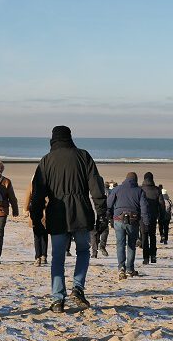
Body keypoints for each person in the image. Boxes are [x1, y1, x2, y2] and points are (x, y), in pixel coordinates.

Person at [30, 126, 106, 313]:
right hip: (81, 211)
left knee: (57, 257)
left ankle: (57, 299)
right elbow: (96, 186)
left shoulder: (46, 161)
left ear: (53, 139)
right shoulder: (83, 156)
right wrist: (102, 213)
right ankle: (78, 288)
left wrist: (36, 216)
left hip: (57, 214)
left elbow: (38, 192)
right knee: (83, 251)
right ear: (70, 138)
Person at [107, 173, 150, 279]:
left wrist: (110, 216)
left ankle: (121, 268)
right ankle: (130, 269)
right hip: (133, 221)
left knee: (120, 245)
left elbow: (109, 204)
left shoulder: (117, 189)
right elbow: (144, 208)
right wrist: (146, 222)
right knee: (131, 246)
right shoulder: (139, 191)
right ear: (136, 180)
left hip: (118, 220)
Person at [139, 172, 164, 264]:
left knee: (144, 236)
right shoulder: (157, 190)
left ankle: (145, 258)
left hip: (142, 217)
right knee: (152, 236)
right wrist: (161, 215)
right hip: (153, 216)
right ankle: (153, 256)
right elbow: (161, 204)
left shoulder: (140, 189)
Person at [23, 177, 48, 266]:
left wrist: (25, 209)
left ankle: (38, 257)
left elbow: (27, 198)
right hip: (45, 213)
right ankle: (44, 256)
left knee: (37, 235)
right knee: (44, 235)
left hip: (35, 212)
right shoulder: (47, 184)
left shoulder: (31, 184)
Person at [91, 180, 116, 258]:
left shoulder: (91, 194)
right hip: (103, 216)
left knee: (94, 234)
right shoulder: (105, 195)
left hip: (93, 217)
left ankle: (94, 253)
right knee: (105, 230)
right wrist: (111, 217)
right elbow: (110, 206)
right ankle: (102, 246)